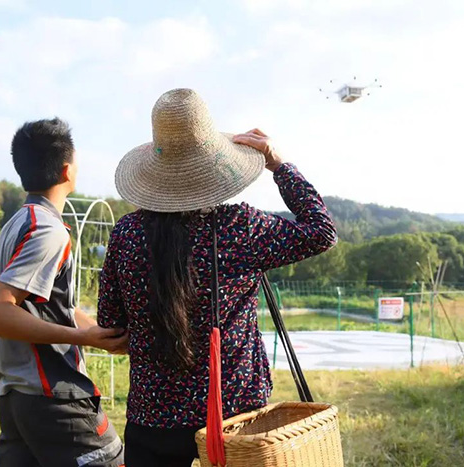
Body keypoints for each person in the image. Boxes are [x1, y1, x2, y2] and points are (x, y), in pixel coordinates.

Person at [98, 88, 338, 466]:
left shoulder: (126, 235)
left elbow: (111, 324)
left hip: (153, 413)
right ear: (213, 161)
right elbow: (320, 231)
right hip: (234, 413)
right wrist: (280, 165)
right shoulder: (240, 227)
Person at [0, 118, 127, 467]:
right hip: (53, 396)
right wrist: (84, 339)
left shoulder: (20, 222)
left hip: (17, 396)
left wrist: (102, 334)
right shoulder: (49, 231)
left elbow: (52, 306)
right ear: (66, 170)